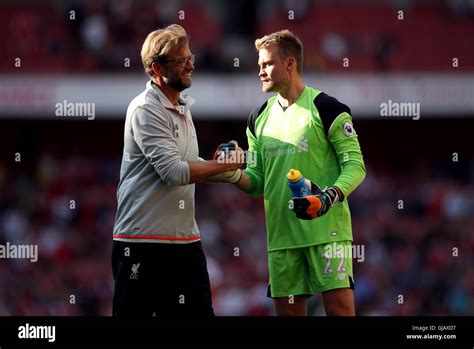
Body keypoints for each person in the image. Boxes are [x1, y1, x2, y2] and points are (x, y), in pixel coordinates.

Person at [229, 30, 366, 316]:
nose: (261, 72)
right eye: (259, 67)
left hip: (327, 234)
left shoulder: (327, 108)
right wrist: (229, 173)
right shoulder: (257, 119)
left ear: (290, 64)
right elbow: (257, 182)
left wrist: (328, 197)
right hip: (282, 240)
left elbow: (355, 166)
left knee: (340, 311)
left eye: (267, 64)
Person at [112, 24, 242, 317]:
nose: (190, 65)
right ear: (156, 69)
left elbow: (192, 163)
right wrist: (227, 165)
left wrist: (243, 172)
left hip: (185, 242)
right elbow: (173, 172)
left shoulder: (181, 105)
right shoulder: (146, 108)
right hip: (141, 243)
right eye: (180, 61)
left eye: (190, 57)